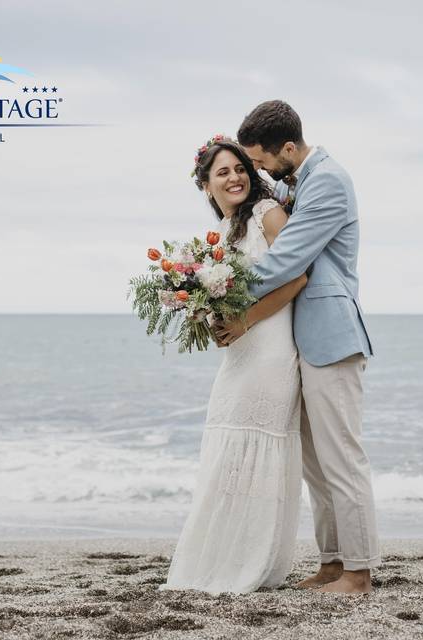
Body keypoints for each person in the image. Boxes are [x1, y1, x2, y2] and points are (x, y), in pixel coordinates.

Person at [218, 100, 379, 594]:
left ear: (288, 147)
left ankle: (358, 570)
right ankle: (333, 562)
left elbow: (287, 258)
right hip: (301, 341)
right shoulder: (299, 181)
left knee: (341, 458)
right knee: (314, 461)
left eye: (262, 160)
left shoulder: (328, 181)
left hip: (331, 336)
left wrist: (224, 291)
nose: (260, 169)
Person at [160, 137, 307, 594]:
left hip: (271, 349)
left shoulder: (268, 215)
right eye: (222, 173)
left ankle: (252, 564)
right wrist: (206, 315)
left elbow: (299, 274)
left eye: (240, 168)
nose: (234, 177)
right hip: (240, 354)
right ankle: (220, 559)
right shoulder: (219, 238)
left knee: (258, 447)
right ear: (206, 186)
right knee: (226, 446)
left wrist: (246, 320)